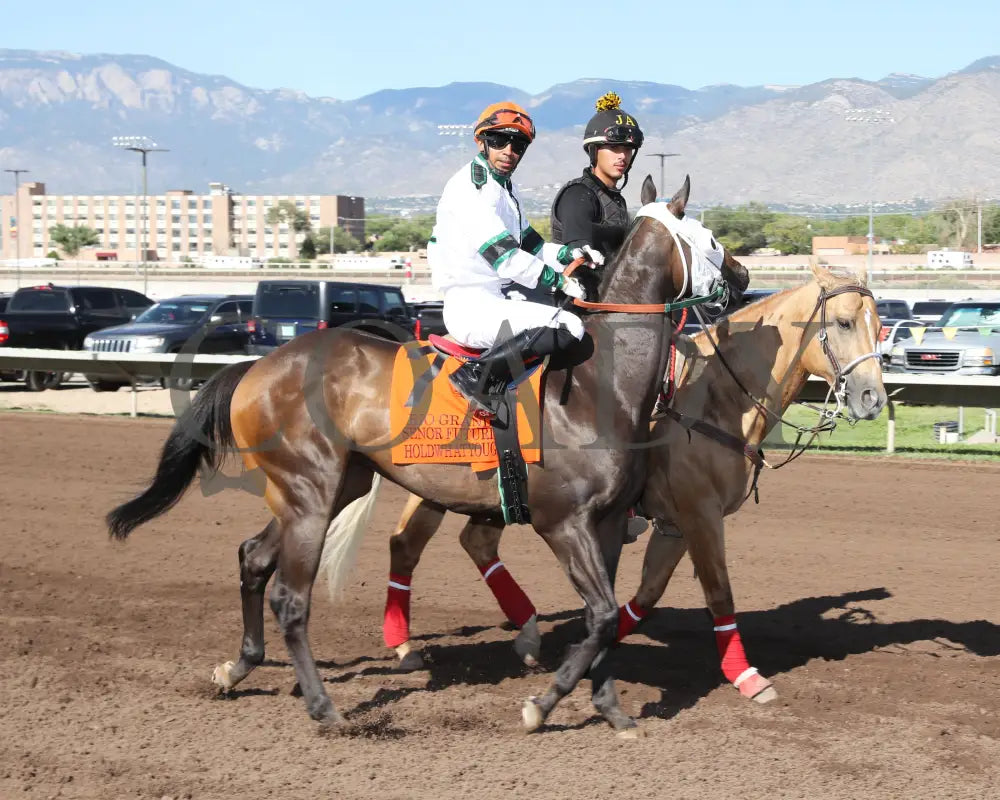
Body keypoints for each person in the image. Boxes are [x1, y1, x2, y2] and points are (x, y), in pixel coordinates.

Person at [428, 101, 602, 412]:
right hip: (471, 307)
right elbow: (506, 258)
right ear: (481, 141)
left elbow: (532, 245)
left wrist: (569, 254)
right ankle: (477, 380)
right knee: (568, 328)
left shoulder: (504, 187)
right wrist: (559, 281)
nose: (509, 150)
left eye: (518, 144)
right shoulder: (471, 189)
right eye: (499, 140)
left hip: (492, 298)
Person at [551, 91, 644, 262]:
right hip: (573, 286)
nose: (622, 156)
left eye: (627, 149)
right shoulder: (578, 195)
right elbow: (578, 256)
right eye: (614, 148)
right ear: (594, 150)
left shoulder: (616, 199)